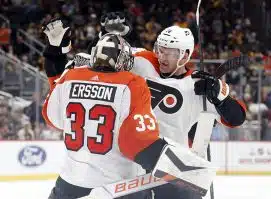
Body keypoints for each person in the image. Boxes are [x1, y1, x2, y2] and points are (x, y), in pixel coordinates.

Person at [41, 20, 215, 199]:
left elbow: (51, 117)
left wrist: (54, 53)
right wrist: (186, 172)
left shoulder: (70, 77)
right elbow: (139, 142)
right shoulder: (131, 83)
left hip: (69, 184)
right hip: (117, 187)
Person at [98, 13, 247, 199]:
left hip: (172, 166)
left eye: (169, 52)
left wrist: (220, 99)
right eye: (160, 49)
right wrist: (110, 34)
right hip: (132, 162)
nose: (161, 56)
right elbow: (107, 53)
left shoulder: (199, 85)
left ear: (185, 55)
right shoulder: (144, 60)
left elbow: (237, 118)